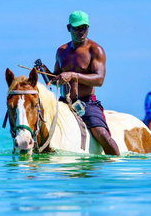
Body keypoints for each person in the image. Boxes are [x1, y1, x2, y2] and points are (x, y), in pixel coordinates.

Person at [47, 10, 120, 155]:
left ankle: (117, 161)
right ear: (69, 28)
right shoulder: (61, 51)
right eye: (77, 28)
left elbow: (99, 80)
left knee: (102, 134)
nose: (81, 32)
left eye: (84, 28)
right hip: (63, 102)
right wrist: (46, 72)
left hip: (86, 103)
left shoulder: (95, 50)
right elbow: (56, 81)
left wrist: (74, 75)